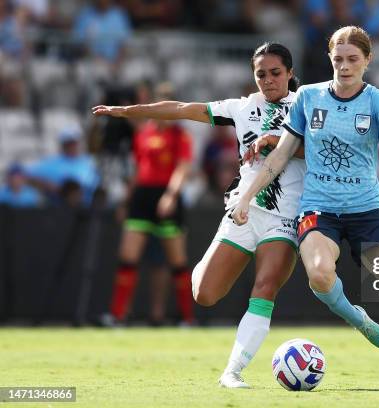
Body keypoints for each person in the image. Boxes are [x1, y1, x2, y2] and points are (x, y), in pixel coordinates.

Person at [233, 26, 379, 391]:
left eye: (352, 60)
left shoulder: (378, 101)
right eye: (338, 60)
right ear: (330, 59)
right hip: (320, 209)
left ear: (367, 60)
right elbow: (282, 153)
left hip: (366, 212)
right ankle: (361, 321)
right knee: (319, 273)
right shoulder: (308, 97)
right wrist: (245, 196)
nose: (345, 67)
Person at [92, 43, 305, 388]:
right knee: (204, 293)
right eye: (261, 74)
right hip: (242, 212)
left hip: (285, 216)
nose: (268, 80)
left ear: (290, 73)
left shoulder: (306, 105)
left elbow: (321, 149)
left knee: (265, 286)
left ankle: (232, 372)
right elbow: (180, 108)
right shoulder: (241, 107)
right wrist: (129, 110)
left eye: (275, 73)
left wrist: (275, 142)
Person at [95, 82, 195, 327]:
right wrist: (126, 201)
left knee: (177, 262)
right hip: (142, 197)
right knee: (127, 257)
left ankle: (187, 318)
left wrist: (171, 195)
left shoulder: (180, 135)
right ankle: (117, 315)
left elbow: (183, 168)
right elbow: (140, 171)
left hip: (166, 197)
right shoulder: (143, 134)